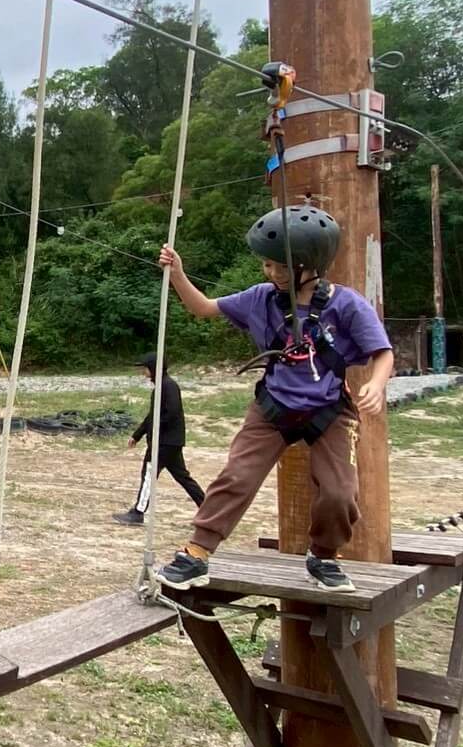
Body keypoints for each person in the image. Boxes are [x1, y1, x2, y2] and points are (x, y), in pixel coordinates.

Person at [150, 203, 393, 594]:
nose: (272, 272)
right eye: (268, 264)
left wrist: (378, 384)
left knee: (339, 492)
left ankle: (324, 555)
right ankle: (197, 553)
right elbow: (204, 308)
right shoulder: (260, 298)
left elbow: (383, 352)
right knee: (237, 476)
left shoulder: (345, 303)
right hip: (274, 406)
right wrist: (177, 274)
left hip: (329, 409)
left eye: (281, 266)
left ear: (312, 264)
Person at [112, 352, 205, 526]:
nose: (143, 372)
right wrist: (137, 434)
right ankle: (208, 509)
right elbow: (152, 415)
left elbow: (172, 412)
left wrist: (155, 428)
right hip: (170, 441)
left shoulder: (168, 386)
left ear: (154, 368)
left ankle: (138, 512)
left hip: (164, 442)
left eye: (145, 368)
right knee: (182, 477)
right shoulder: (162, 387)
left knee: (148, 474)